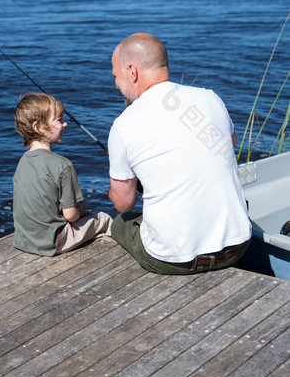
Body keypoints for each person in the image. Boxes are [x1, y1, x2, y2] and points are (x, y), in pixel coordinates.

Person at [108, 33, 251, 275]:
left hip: (172, 260)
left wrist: (115, 188)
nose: (116, 84)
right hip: (237, 246)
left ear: (132, 71)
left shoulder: (124, 125)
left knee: (120, 223)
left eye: (116, 76)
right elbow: (230, 143)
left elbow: (124, 203)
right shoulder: (211, 98)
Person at [13, 92, 112, 256]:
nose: (65, 124)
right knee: (102, 219)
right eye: (59, 120)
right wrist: (80, 213)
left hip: (23, 240)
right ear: (38, 127)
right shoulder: (62, 165)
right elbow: (70, 215)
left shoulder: (22, 162)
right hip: (52, 242)